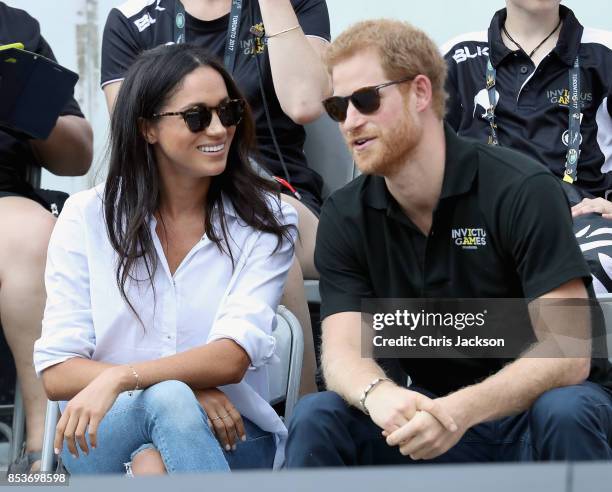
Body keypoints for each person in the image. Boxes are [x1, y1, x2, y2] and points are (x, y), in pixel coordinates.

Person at [285, 19, 612, 467]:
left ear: (420, 93)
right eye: (338, 107)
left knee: (567, 409)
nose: (351, 122)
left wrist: (458, 411)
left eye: (365, 100)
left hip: (527, 421)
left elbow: (569, 352)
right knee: (318, 414)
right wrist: (377, 394)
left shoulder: (523, 189)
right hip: (424, 417)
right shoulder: (346, 214)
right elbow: (342, 349)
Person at [33, 43, 297, 475]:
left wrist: (126, 378)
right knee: (170, 401)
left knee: (153, 462)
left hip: (235, 433)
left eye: (228, 112)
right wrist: (182, 390)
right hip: (103, 433)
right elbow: (58, 373)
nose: (218, 130)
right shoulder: (86, 218)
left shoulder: (269, 220)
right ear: (147, 128)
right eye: (197, 116)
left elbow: (231, 358)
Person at [101, 0, 331, 393]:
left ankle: (303, 415)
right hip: (173, 197)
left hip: (277, 191)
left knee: (267, 225)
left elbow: (306, 102)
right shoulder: (132, 18)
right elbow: (135, 139)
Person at [0, 2, 93, 473]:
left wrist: (26, 105)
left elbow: (78, 156)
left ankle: (41, 451)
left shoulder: (15, 29)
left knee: (39, 236)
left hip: (3, 202)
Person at [443, 1, 612, 217]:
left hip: (583, 228)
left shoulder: (605, 52)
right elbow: (420, 166)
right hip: (485, 228)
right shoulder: (457, 57)